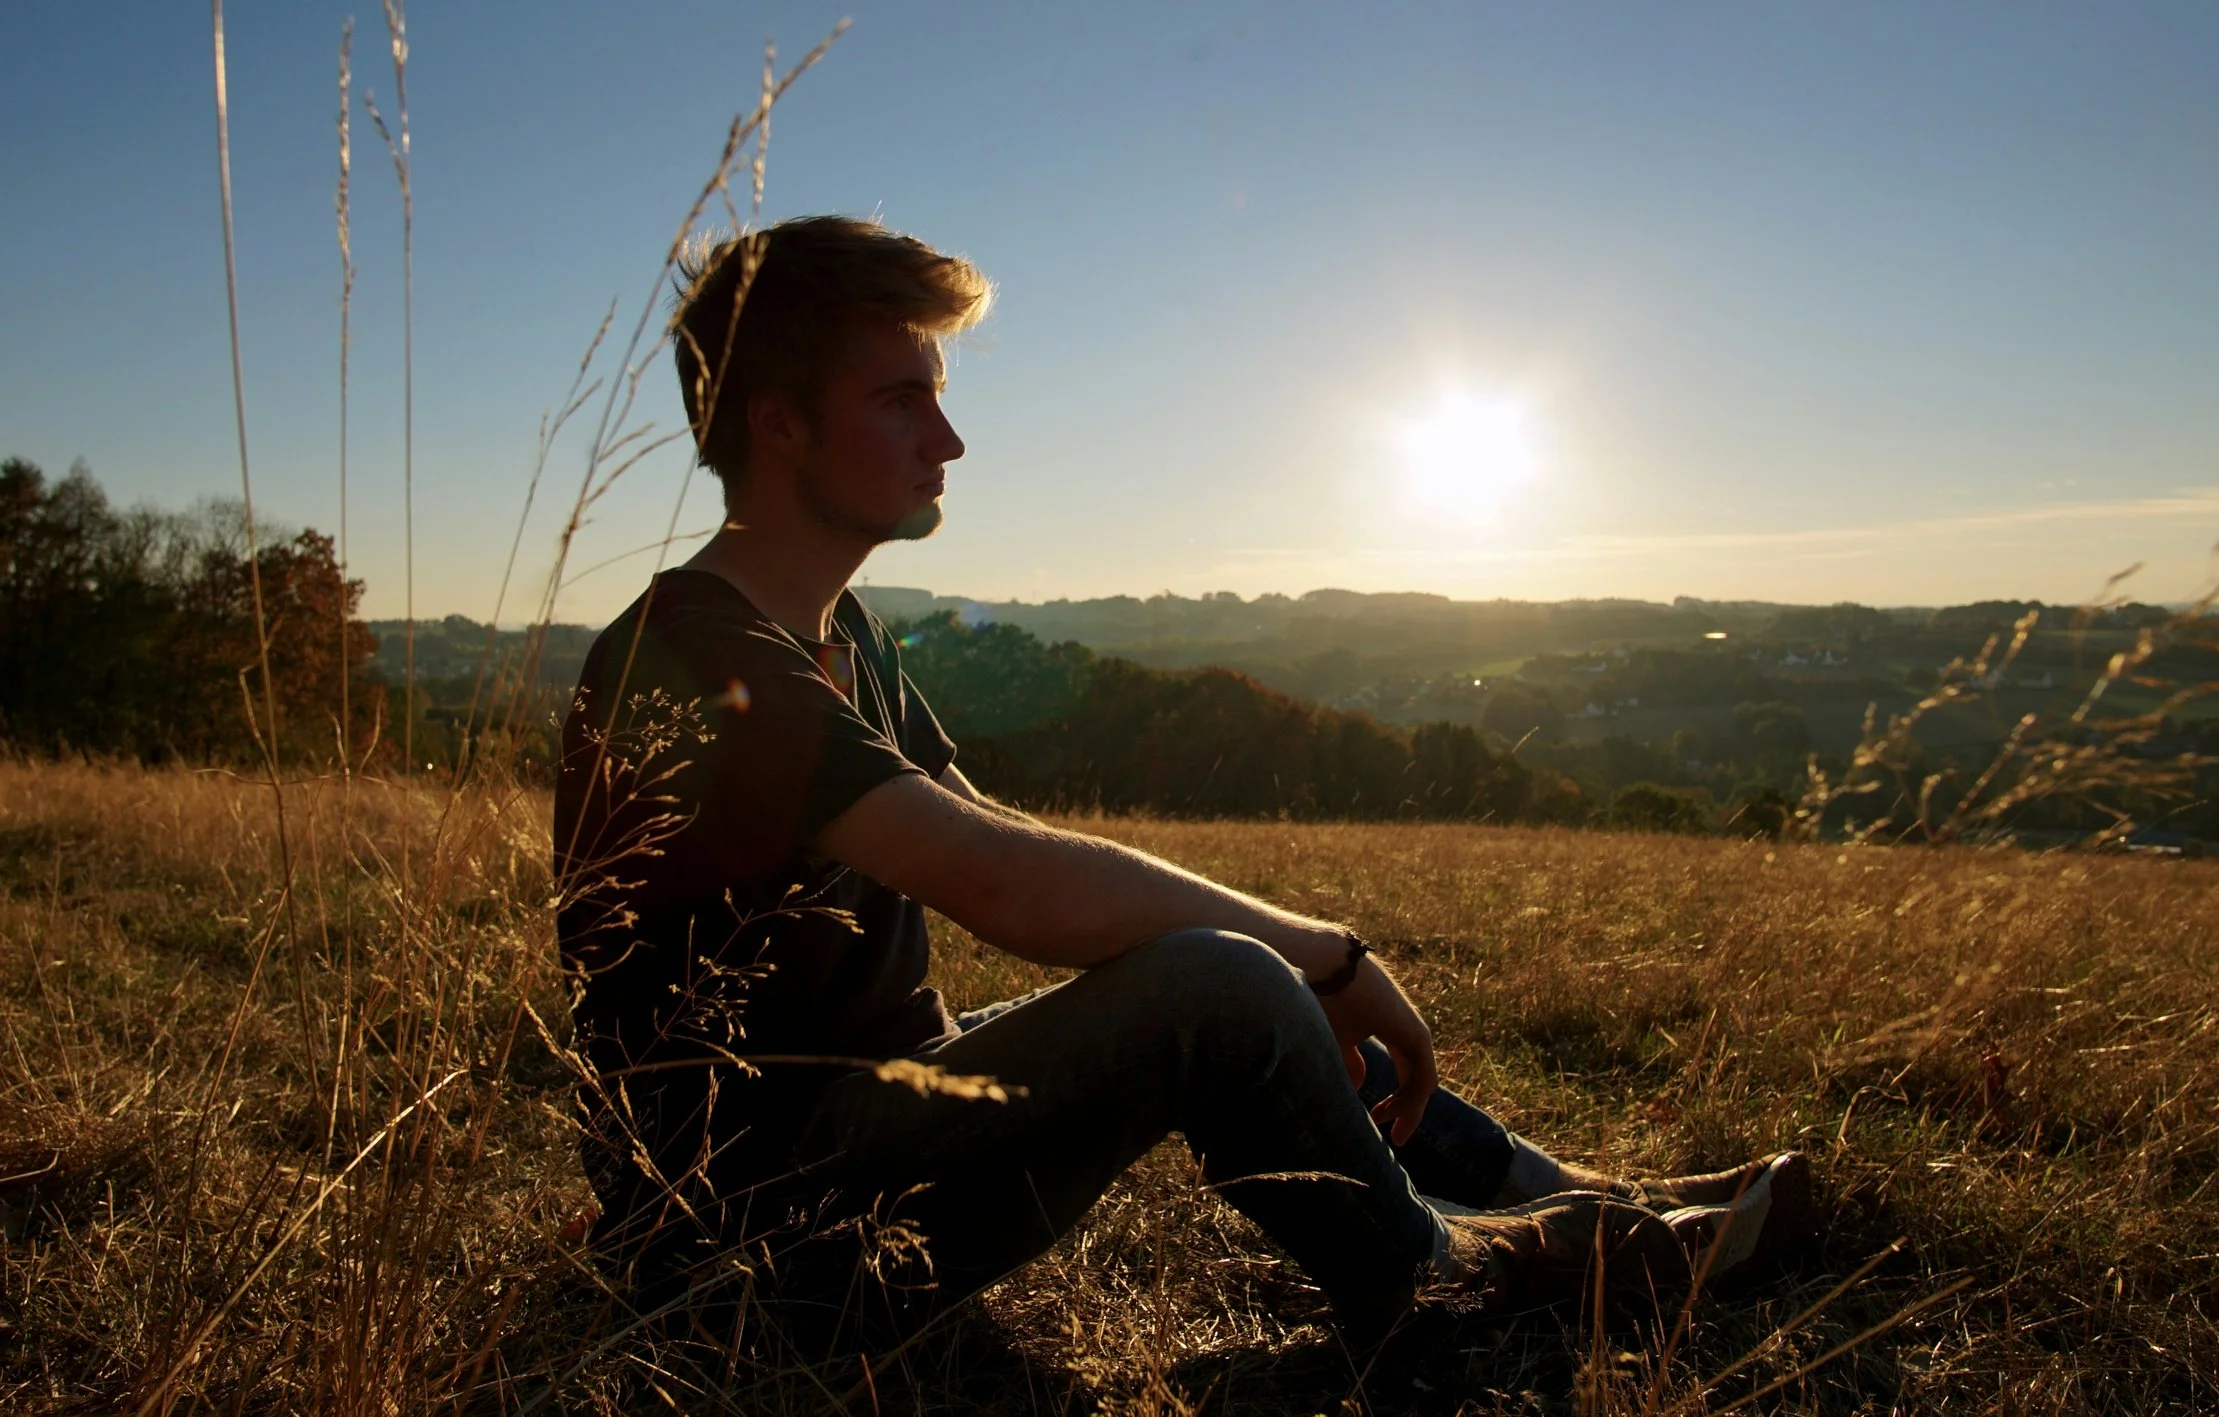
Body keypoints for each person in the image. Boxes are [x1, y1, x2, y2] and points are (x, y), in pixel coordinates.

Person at [554, 214, 1817, 1343]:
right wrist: (1317, 951)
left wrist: (1284, 962)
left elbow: (986, 823)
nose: (949, 439)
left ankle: (1585, 1201)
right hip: (757, 1229)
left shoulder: (842, 634)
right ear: (776, 421)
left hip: (885, 1110)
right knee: (1225, 980)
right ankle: (1460, 1283)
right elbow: (1000, 883)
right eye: (900, 401)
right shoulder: (693, 657)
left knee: (1230, 970)